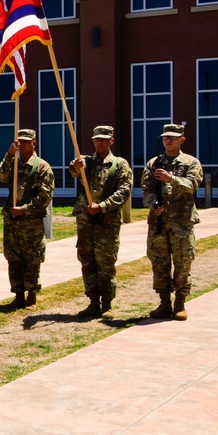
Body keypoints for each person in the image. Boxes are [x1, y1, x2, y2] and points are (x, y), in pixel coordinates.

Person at [69, 126, 133, 317]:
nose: (100, 142)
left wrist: (103, 206)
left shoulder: (119, 164)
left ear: (111, 140)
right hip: (85, 219)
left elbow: (124, 191)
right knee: (87, 260)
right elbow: (73, 171)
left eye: (104, 139)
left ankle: (107, 303)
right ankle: (93, 301)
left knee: (105, 262)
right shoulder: (86, 162)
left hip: (107, 220)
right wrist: (76, 165)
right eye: (97, 139)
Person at [141, 123, 203, 321]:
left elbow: (192, 185)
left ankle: (180, 303)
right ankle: (164, 301)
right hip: (159, 222)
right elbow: (146, 189)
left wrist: (171, 179)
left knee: (183, 262)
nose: (168, 140)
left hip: (181, 222)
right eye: (165, 137)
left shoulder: (191, 162)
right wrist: (153, 204)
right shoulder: (153, 163)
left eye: (173, 137)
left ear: (181, 140)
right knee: (159, 262)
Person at [0, 128, 54, 308]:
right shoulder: (13, 162)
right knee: (13, 257)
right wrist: (9, 154)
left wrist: (25, 209)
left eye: (26, 142)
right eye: (19, 141)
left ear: (34, 143)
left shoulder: (42, 166)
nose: (22, 144)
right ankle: (18, 293)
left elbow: (45, 196)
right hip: (12, 219)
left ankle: (32, 295)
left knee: (32, 258)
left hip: (31, 221)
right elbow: (1, 176)